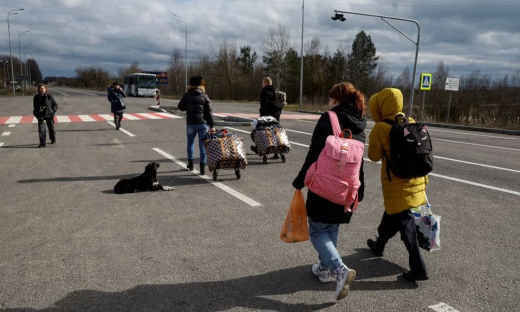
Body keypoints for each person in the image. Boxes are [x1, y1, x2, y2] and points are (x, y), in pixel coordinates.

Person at [292, 82, 366, 301]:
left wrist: (300, 180)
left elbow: (314, 152)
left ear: (335, 98)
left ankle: (339, 269)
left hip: (324, 184)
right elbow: (360, 162)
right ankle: (324, 270)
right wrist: (360, 189)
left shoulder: (329, 117)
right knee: (331, 226)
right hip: (346, 188)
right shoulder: (361, 122)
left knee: (316, 230)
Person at [366, 87, 429, 282]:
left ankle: (418, 269)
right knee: (392, 216)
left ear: (381, 105)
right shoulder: (410, 122)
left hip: (396, 183)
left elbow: (373, 156)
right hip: (416, 180)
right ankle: (379, 245)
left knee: (405, 223)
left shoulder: (380, 128)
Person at [178, 75, 215, 175]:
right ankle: (202, 168)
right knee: (203, 145)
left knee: (190, 143)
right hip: (203, 124)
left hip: (191, 124)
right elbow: (209, 112)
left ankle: (190, 165)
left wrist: (188, 106)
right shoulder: (204, 96)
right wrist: (212, 125)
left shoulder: (187, 95)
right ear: (200, 84)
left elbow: (180, 107)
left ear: (190, 84)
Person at [251, 77, 283, 158]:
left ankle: (258, 148)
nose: (262, 84)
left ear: (265, 83)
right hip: (276, 117)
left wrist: (261, 117)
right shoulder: (277, 91)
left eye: (262, 83)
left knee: (257, 132)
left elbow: (263, 106)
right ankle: (277, 153)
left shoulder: (264, 93)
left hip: (266, 117)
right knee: (275, 133)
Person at [32, 83, 58, 147]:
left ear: (46, 89)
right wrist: (36, 113)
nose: (43, 89)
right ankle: (42, 143)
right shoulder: (36, 97)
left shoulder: (49, 96)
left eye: (44, 88)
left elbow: (55, 104)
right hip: (41, 116)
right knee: (41, 129)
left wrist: (53, 111)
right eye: (41, 88)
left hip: (49, 115)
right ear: (39, 89)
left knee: (51, 128)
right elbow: (35, 106)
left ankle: (53, 139)